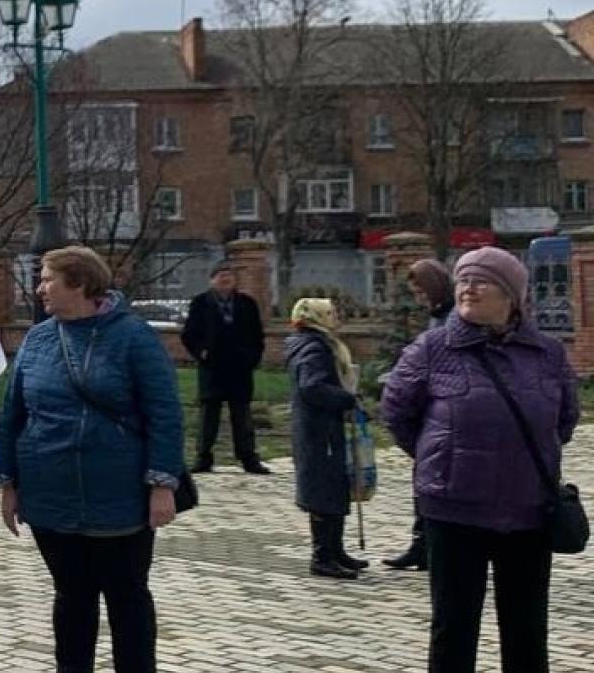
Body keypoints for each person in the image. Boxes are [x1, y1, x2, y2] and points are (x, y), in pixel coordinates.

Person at [381, 247, 579, 672]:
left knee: (526, 630)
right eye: (463, 280)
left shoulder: (548, 354)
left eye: (481, 280)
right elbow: (397, 411)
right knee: (454, 628)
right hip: (454, 511)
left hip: (528, 512)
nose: (468, 288)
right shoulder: (434, 348)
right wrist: (440, 454)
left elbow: (564, 420)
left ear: (511, 295)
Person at [0, 246, 184, 673]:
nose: (39, 288)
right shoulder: (38, 340)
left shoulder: (133, 336)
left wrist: (162, 485)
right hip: (50, 496)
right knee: (71, 596)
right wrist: (8, 484)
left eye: (47, 279)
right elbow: (12, 415)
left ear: (78, 283)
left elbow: (165, 414)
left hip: (119, 497)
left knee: (126, 597)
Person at [285, 298, 364, 580]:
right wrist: (345, 398)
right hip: (319, 431)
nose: (337, 317)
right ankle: (323, 556)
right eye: (331, 313)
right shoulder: (314, 347)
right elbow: (312, 386)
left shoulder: (313, 343)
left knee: (334, 486)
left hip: (321, 428)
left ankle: (336, 549)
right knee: (324, 490)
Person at [384, 258, 456, 572]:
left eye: (421, 292)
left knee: (438, 481)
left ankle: (435, 544)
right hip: (428, 411)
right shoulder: (438, 316)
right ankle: (421, 543)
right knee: (423, 479)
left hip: (447, 412)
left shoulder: (454, 318)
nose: (419, 299)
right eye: (415, 294)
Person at [181, 262, 269, 474]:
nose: (225, 279)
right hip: (213, 368)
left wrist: (252, 358)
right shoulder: (201, 303)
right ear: (212, 280)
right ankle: (203, 456)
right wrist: (201, 352)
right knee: (209, 414)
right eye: (221, 276)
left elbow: (257, 335)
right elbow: (189, 334)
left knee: (242, 415)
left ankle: (248, 457)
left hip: (240, 369)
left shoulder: (246, 304)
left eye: (229, 276)